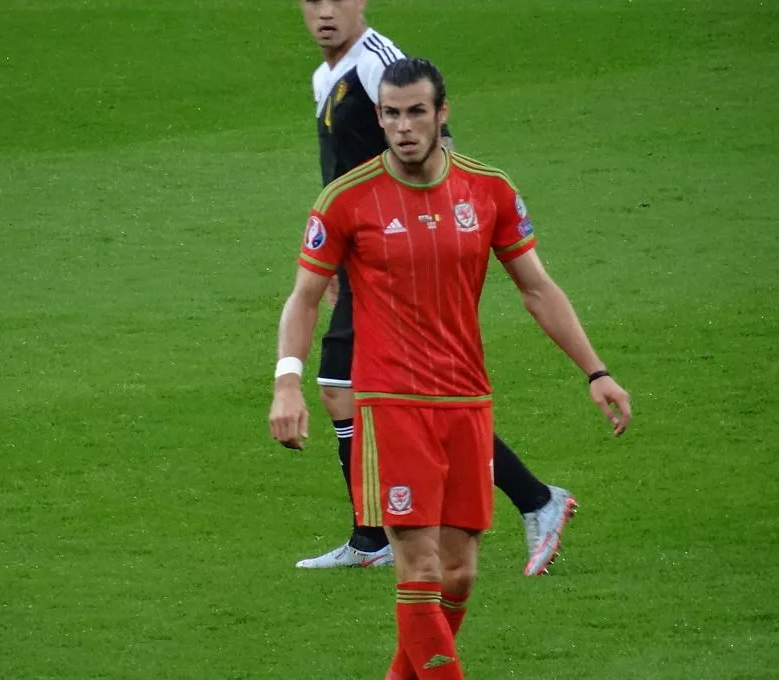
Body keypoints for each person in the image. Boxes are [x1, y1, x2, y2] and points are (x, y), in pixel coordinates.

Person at [269, 57, 632, 679]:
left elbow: (537, 289)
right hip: (391, 405)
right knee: (420, 568)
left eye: (416, 112)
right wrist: (287, 381)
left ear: (442, 113)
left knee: (459, 573)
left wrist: (596, 372)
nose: (403, 127)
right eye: (390, 114)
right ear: (378, 117)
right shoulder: (346, 199)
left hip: (467, 403)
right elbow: (304, 298)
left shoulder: (488, 190)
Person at [297, 0, 576, 577]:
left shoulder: (378, 61)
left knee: (377, 392)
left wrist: (434, 233)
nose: (324, 12)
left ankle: (531, 500)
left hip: (398, 253)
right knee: (343, 390)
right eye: (312, 0)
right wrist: (338, 262)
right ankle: (375, 532)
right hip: (366, 247)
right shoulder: (326, 75)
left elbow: (434, 147)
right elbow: (343, 173)